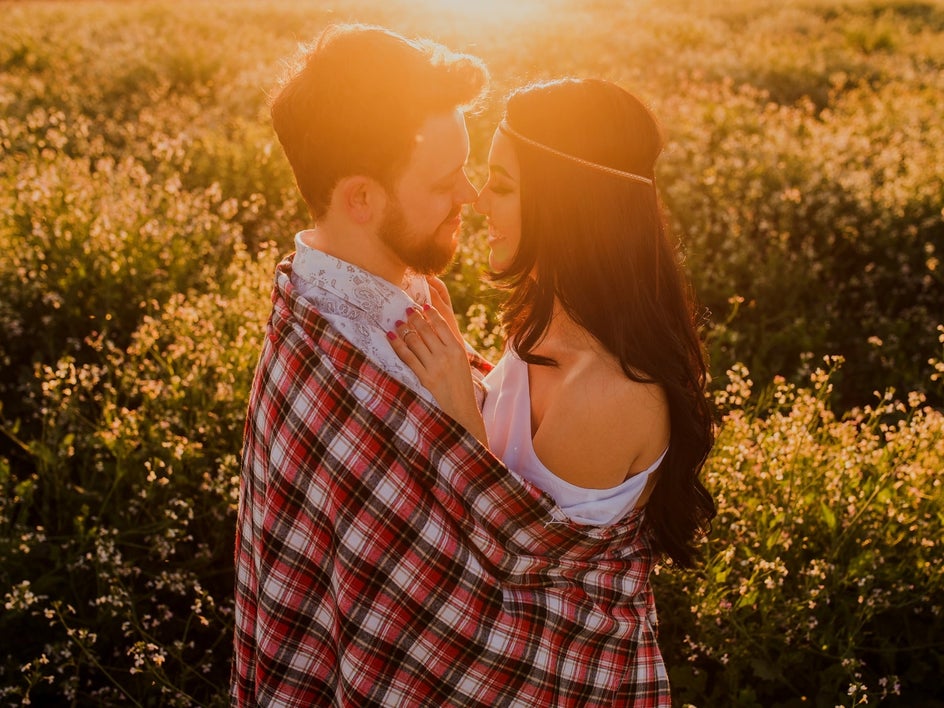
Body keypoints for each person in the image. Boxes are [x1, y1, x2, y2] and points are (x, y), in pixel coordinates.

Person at [390, 76, 716, 689]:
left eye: (505, 186)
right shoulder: (552, 319)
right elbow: (518, 457)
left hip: (552, 672)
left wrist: (458, 400)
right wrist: (459, 354)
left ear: (570, 209)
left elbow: (507, 560)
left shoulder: (610, 391)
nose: (479, 202)